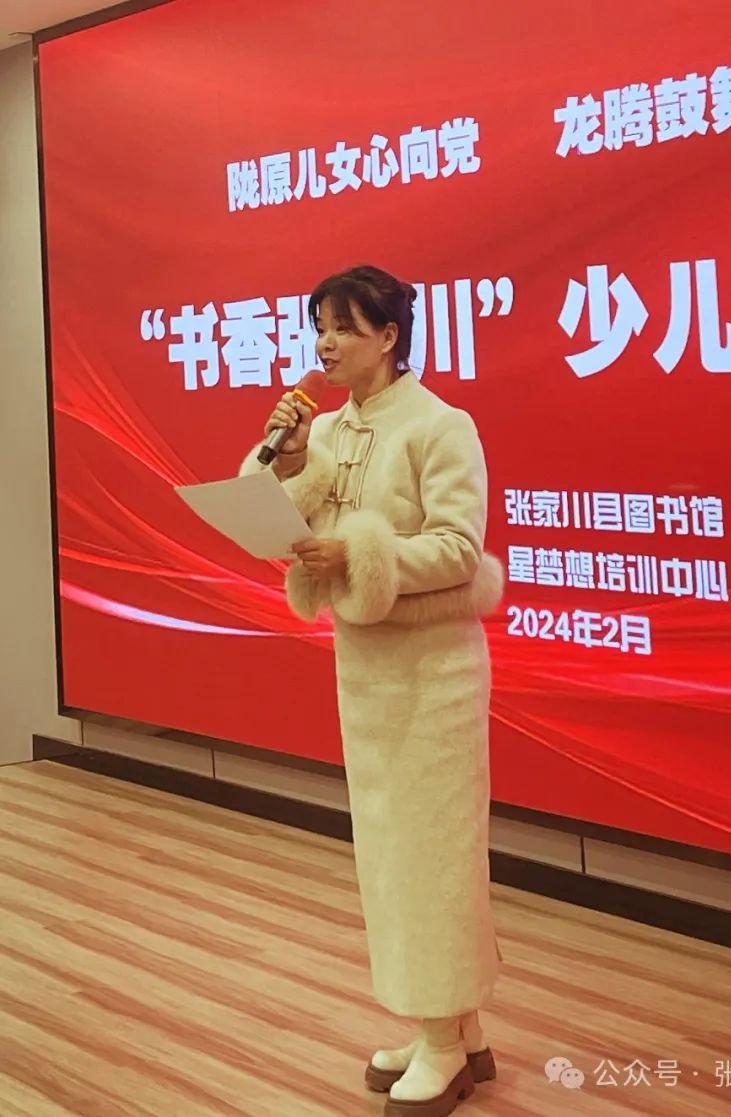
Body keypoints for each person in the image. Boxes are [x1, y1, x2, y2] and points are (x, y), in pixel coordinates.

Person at [240, 265, 503, 1117]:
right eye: (319, 326)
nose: (324, 343)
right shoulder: (326, 429)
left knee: (435, 854)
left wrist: (357, 552)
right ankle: (453, 1027)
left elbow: (458, 548)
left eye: (343, 327)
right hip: (366, 668)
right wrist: (284, 459)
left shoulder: (439, 424)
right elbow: (285, 521)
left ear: (389, 336)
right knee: (390, 854)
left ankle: (442, 1042)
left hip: (434, 670)